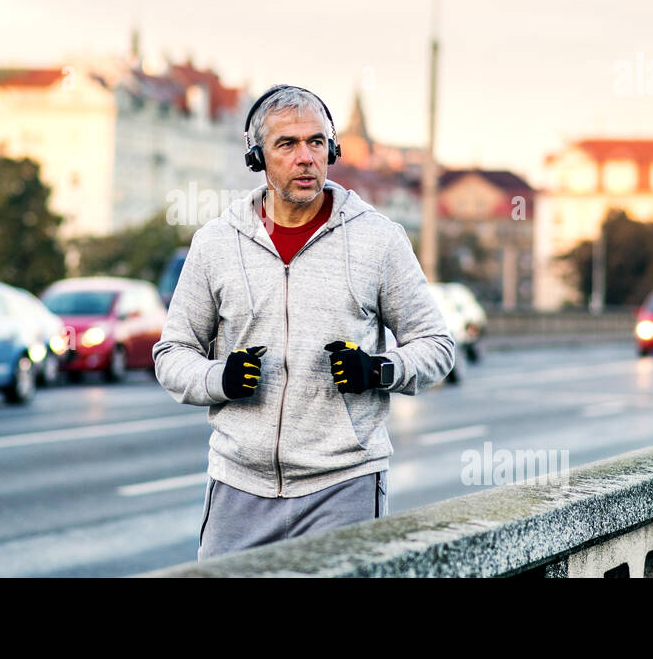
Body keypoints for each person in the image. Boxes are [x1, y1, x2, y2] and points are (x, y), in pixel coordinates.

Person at [152, 84, 456, 560]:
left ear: (332, 150)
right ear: (258, 158)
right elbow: (171, 354)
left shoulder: (379, 239)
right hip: (238, 486)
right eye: (287, 144)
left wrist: (379, 370)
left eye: (316, 142)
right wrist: (220, 378)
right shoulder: (216, 244)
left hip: (344, 485)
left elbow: (437, 345)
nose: (305, 158)